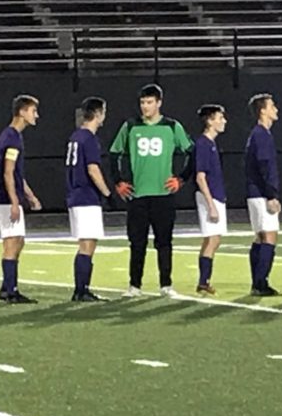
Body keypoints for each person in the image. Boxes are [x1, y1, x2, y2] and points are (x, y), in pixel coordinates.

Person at [109, 84, 193, 298]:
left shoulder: (172, 126)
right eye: (143, 102)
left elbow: (192, 153)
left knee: (164, 241)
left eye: (149, 102)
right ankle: (134, 285)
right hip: (138, 195)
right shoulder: (130, 126)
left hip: (163, 195)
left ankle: (166, 284)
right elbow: (113, 153)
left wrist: (180, 179)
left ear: (159, 103)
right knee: (137, 242)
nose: (145, 107)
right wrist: (119, 181)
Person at [0, 94, 42, 303]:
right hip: (6, 198)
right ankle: (10, 290)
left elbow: (16, 175)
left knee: (18, 241)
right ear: (22, 112)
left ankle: (7, 286)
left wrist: (30, 196)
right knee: (12, 243)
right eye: (33, 111)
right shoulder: (12, 137)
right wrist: (14, 201)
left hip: (7, 196)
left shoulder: (10, 136)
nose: (36, 116)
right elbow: (8, 172)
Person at [66, 96, 113, 302]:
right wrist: (107, 192)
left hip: (75, 194)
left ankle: (82, 288)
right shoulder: (89, 138)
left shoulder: (75, 137)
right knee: (88, 244)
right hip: (86, 196)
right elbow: (92, 169)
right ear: (98, 113)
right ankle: (81, 290)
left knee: (85, 243)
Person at [244, 94, 282, 296]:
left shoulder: (257, 134)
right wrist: (271, 195)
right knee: (269, 236)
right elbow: (264, 166)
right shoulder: (262, 135)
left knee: (260, 236)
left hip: (255, 192)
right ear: (263, 110)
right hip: (261, 193)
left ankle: (257, 282)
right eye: (272, 105)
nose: (275, 108)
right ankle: (261, 282)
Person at [193, 104, 227, 294]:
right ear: (210, 121)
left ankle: (204, 281)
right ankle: (203, 281)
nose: (223, 121)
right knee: (213, 239)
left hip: (215, 195)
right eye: (220, 118)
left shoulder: (210, 143)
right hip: (210, 196)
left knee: (213, 239)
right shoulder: (204, 144)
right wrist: (211, 204)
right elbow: (200, 176)